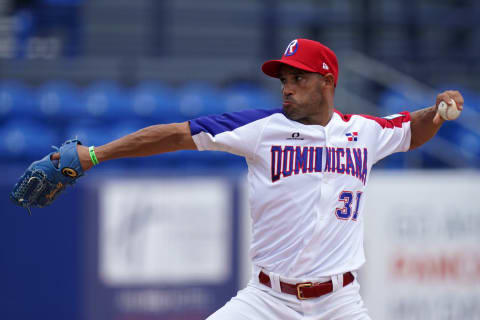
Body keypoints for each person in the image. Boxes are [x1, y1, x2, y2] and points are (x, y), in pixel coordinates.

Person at [53, 38, 464, 319]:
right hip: (267, 300)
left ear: (328, 82)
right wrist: (94, 155)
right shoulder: (261, 128)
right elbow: (177, 133)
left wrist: (438, 109)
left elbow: (411, 129)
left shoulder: (365, 131)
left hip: (339, 303)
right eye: (284, 80)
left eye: (299, 78)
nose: (287, 88)